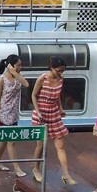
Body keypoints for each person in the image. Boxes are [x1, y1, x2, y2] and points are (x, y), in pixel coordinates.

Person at [31, 56, 75, 185]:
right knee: (40, 145)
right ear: (51, 68)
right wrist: (38, 111)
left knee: (60, 145)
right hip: (41, 112)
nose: (60, 73)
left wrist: (60, 108)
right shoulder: (42, 78)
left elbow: (58, 95)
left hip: (54, 112)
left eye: (62, 71)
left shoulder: (61, 79)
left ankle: (66, 174)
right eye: (58, 70)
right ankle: (36, 169)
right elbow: (34, 95)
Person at [0, 54, 30, 177]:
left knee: (4, 140)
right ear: (11, 65)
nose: (20, 67)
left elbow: (26, 84)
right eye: (18, 65)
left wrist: (14, 72)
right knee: (11, 141)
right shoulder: (1, 80)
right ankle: (17, 168)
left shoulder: (18, 77)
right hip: (4, 114)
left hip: (13, 113)